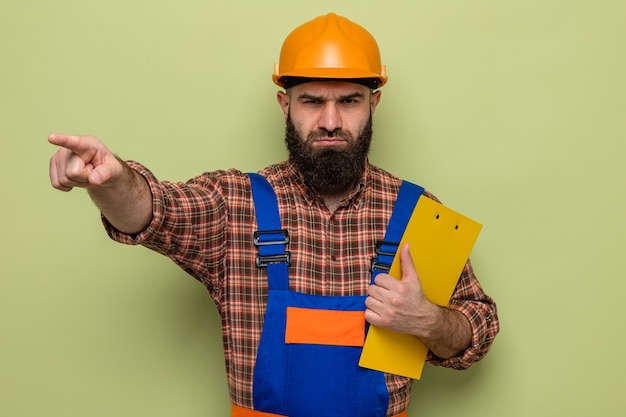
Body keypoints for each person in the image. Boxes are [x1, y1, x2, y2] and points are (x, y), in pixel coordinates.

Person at [48, 12, 498, 417]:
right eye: (311, 100)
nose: (329, 121)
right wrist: (111, 181)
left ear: (373, 104)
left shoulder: (420, 214)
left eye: (349, 101)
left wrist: (429, 321)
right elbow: (154, 211)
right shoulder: (236, 204)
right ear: (285, 104)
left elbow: (479, 328)